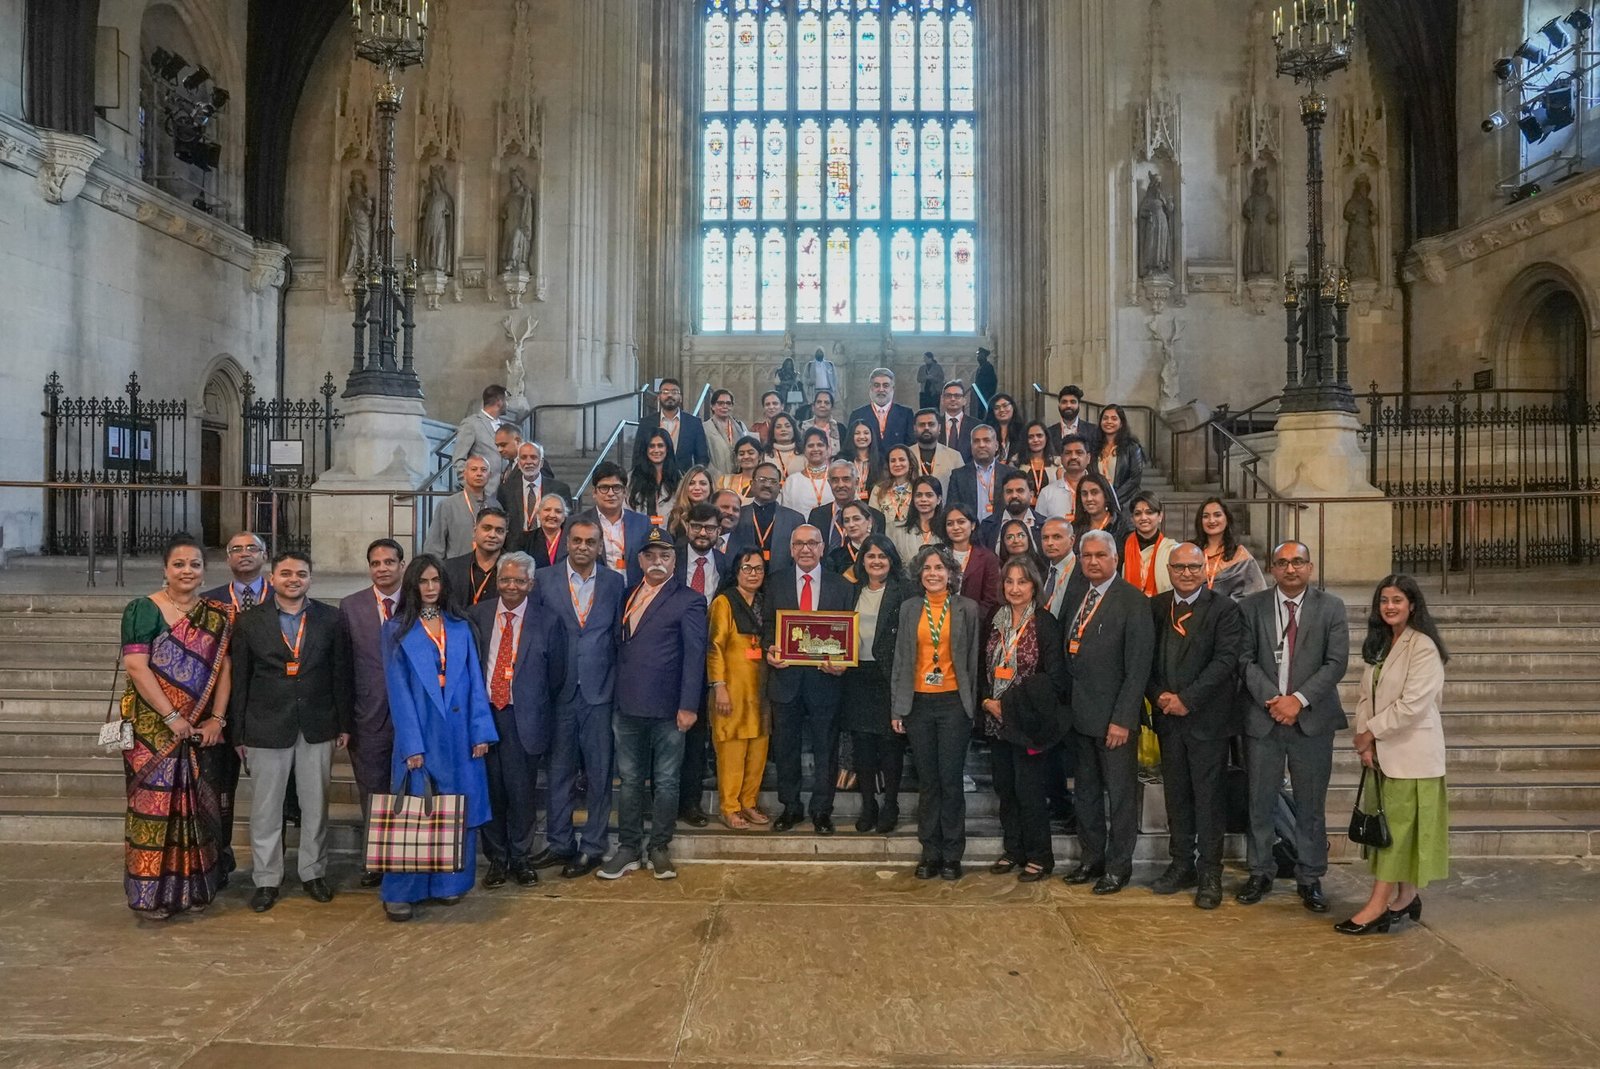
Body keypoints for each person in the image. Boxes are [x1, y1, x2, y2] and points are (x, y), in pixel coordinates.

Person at [228, 550, 353, 914]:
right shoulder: (249, 621)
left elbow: (341, 673)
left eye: (301, 573)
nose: (293, 579)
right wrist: (239, 733)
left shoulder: (331, 618)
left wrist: (344, 723)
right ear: (272, 579)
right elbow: (240, 679)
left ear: (310, 579)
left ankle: (313, 872)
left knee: (316, 805)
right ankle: (267, 879)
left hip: (318, 724)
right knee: (266, 809)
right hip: (265, 726)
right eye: (286, 573)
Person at [119, 534, 234, 919]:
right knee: (153, 809)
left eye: (195, 564)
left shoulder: (217, 615)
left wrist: (217, 718)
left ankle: (192, 890)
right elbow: (137, 667)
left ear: (204, 571)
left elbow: (224, 669)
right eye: (179, 564)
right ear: (165, 570)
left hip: (198, 730)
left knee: (195, 810)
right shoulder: (143, 610)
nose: (187, 571)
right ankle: (150, 895)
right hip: (152, 730)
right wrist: (171, 717)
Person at [380, 555, 498, 921]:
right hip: (422, 732)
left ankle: (450, 883)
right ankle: (403, 891)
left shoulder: (460, 627)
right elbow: (397, 690)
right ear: (413, 586)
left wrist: (481, 730)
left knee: (457, 810)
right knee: (415, 813)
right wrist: (411, 745)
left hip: (460, 734)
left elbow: (475, 681)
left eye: (436, 581)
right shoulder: (396, 629)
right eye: (424, 581)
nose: (431, 587)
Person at [1236, 541, 1349, 913]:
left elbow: (1336, 663)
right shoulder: (1251, 607)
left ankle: (1310, 876)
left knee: (1310, 804)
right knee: (1260, 801)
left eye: (1298, 562)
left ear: (1310, 567)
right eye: (1282, 562)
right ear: (1272, 568)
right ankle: (1260, 871)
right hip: (1263, 718)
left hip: (1311, 721)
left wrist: (1297, 701)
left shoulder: (1330, 607)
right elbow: (1244, 659)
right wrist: (1274, 699)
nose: (1290, 568)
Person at [1340, 574, 1451, 935]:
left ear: (1412, 605)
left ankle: (1376, 907)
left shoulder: (1423, 647)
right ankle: (1407, 897)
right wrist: (1366, 740)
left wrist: (1370, 733)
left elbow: (1412, 705)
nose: (1389, 607)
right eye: (1384, 600)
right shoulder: (1382, 644)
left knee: (1397, 835)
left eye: (1397, 600)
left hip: (1411, 755)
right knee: (1388, 829)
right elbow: (1365, 696)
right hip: (1381, 752)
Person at [600, 527, 708, 880]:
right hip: (627, 705)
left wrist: (689, 705)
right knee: (630, 780)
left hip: (668, 708)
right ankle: (628, 848)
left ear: (675, 561)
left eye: (664, 555)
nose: (657, 561)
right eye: (650, 555)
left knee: (666, 781)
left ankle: (659, 846)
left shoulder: (689, 599)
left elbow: (695, 656)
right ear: (640, 560)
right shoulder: (629, 594)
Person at [1145, 542, 1245, 909]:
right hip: (1168, 720)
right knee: (1177, 797)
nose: (1186, 573)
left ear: (1205, 569)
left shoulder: (1224, 609)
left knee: (1209, 800)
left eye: (1193, 567)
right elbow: (1144, 659)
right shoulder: (1156, 607)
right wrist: (1159, 695)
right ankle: (1181, 864)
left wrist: (1187, 699)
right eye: (1179, 567)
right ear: (1168, 570)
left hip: (1207, 721)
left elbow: (1225, 661)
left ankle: (1210, 873)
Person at [1062, 530, 1154, 895]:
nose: (1093, 561)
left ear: (1115, 559)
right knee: (1085, 795)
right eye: (1087, 556)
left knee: (1120, 798)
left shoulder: (1133, 601)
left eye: (1100, 555)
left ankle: (1118, 867)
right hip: (1080, 716)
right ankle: (1091, 859)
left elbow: (1138, 668)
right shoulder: (1078, 595)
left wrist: (1123, 719)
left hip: (1114, 721)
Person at [534, 517, 626, 878]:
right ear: (566, 542)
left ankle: (592, 846)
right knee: (559, 771)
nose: (583, 547)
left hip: (600, 691)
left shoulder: (615, 582)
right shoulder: (544, 579)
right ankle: (559, 843)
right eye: (577, 540)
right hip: (559, 691)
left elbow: (618, 636)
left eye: (590, 541)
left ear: (600, 545)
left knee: (600, 774)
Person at [469, 552, 566, 889]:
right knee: (491, 791)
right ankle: (497, 859)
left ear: (531, 584)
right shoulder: (477, 616)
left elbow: (556, 676)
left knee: (522, 793)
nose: (511, 586)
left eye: (519, 581)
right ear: (497, 581)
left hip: (523, 718)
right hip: (484, 717)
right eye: (506, 579)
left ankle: (521, 857)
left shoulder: (548, 621)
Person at [891, 544, 983, 880]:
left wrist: (971, 706)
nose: (933, 573)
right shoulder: (909, 608)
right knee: (928, 781)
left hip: (954, 704)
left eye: (940, 568)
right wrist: (897, 707)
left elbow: (973, 661)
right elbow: (901, 659)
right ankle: (930, 851)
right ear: (920, 574)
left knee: (951, 779)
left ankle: (952, 854)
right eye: (928, 568)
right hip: (918, 703)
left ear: (951, 573)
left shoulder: (967, 608)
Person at [981, 556, 1070, 881]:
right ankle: (1014, 849)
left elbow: (1054, 679)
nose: (1015, 588)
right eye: (1009, 581)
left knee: (1029, 791)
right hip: (996, 721)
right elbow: (981, 665)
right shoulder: (994, 618)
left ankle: (1039, 856)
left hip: (1029, 723)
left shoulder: (1045, 623)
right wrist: (986, 701)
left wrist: (1009, 704)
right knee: (1005, 789)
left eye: (1022, 581)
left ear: (1034, 585)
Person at [763, 525, 854, 834]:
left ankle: (822, 810)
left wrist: (842, 663)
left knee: (825, 749)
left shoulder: (841, 586)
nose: (805, 549)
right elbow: (767, 626)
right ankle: (790, 807)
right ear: (791, 549)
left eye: (812, 543)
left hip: (825, 682)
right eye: (799, 543)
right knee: (785, 748)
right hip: (785, 680)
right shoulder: (775, 582)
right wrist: (769, 650)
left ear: (822, 548)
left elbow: (847, 633)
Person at [199, 530, 274, 877]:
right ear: (227, 558)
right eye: (236, 549)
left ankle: (273, 865)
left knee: (275, 794)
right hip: (222, 708)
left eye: (252, 548)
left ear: (264, 555)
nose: (245, 554)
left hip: (269, 709)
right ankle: (219, 857)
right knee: (219, 790)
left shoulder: (283, 595)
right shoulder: (209, 602)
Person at [338, 537, 404, 890]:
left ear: (401, 565)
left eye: (389, 562)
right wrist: (345, 720)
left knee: (409, 789)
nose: (382, 569)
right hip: (368, 715)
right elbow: (343, 665)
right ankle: (376, 860)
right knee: (373, 791)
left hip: (412, 715)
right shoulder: (351, 606)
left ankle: (408, 858)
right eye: (376, 563)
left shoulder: (417, 602)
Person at [839, 535, 911, 832]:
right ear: (862, 560)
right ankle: (868, 805)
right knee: (863, 747)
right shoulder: (850, 590)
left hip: (889, 677)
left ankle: (890, 805)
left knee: (890, 746)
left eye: (883, 556)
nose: (877, 561)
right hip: (856, 676)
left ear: (891, 560)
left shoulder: (904, 592)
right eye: (871, 556)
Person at [705, 548, 772, 830]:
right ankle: (729, 807)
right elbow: (714, 647)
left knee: (758, 749)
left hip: (761, 691)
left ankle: (749, 802)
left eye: (759, 569)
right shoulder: (724, 602)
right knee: (732, 751)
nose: (753, 574)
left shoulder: (765, 603)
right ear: (736, 572)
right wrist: (718, 686)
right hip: (731, 690)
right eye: (747, 568)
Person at [676, 503, 728, 827]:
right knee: (672, 735)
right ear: (687, 526)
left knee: (697, 738)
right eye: (697, 526)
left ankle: (691, 803)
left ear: (719, 531)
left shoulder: (725, 563)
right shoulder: (671, 558)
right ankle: (665, 801)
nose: (702, 533)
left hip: (713, 656)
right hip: (674, 657)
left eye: (709, 527)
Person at [581, 461, 653, 587]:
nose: (611, 493)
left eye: (616, 488)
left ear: (624, 492)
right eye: (604, 488)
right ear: (594, 493)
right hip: (593, 592)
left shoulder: (642, 523)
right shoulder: (578, 523)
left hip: (634, 592)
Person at [726, 461, 806, 573]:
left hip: (781, 579)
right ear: (752, 484)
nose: (767, 485)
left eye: (773, 481)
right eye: (762, 480)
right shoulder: (738, 515)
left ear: (779, 487)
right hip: (745, 577)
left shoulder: (795, 519)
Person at [499, 441, 574, 544]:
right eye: (524, 457)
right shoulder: (506, 490)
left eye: (533, 457)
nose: (528, 462)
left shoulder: (559, 489)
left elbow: (567, 522)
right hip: (515, 546)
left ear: (541, 463)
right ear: (518, 463)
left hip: (549, 544)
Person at [1195, 497, 1266, 601]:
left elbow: (1256, 591)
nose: (1211, 520)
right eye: (1206, 516)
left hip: (1231, 609)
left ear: (1227, 519)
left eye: (1217, 515)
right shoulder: (1192, 551)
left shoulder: (1240, 555)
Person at [633, 377, 710, 470]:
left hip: (683, 476)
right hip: (652, 476)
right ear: (659, 397)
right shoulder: (646, 423)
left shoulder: (693, 423)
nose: (670, 395)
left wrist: (696, 475)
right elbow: (638, 455)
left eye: (674, 392)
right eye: (665, 392)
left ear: (680, 398)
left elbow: (702, 457)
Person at [425, 454, 491, 559]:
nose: (479, 474)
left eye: (484, 470)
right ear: (465, 474)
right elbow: (434, 545)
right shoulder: (448, 505)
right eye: (474, 469)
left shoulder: (495, 505)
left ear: (489, 475)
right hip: (455, 565)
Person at [810, 459, 884, 552]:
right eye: (835, 480)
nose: (840, 485)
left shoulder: (875, 516)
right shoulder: (817, 515)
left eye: (846, 479)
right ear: (829, 483)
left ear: (856, 482)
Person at [442, 507, 508, 612]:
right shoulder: (450, 568)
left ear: (505, 535)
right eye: (487, 528)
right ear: (474, 531)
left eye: (499, 531)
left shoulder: (516, 570)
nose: (492, 535)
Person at [942, 503, 1000, 622]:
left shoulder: (988, 558)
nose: (955, 527)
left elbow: (991, 599)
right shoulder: (939, 555)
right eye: (950, 524)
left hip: (974, 622)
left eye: (961, 522)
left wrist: (971, 620)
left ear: (973, 525)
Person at [946, 424, 1012, 526]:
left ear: (996, 446)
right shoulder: (958, 476)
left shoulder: (1009, 474)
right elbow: (952, 509)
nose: (981, 445)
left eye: (986, 440)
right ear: (971, 446)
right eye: (976, 441)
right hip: (970, 532)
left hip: (1001, 531)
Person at [450, 385, 508, 497]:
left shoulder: (505, 427)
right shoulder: (471, 424)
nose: (507, 405)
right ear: (499, 401)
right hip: (481, 493)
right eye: (506, 400)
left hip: (504, 494)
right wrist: (471, 486)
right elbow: (458, 459)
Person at [848, 367, 915, 457]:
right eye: (876, 385)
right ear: (870, 388)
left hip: (896, 463)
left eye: (885, 385)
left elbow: (911, 446)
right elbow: (850, 446)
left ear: (892, 388)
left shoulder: (906, 414)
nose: (881, 389)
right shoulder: (857, 415)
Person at [1122, 492, 1175, 596]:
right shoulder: (1122, 548)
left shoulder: (1171, 550)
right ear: (1132, 519)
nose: (1143, 518)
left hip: (1162, 603)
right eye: (1138, 513)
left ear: (1160, 516)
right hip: (1130, 604)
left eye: (1149, 512)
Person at [979, 472, 1045, 553]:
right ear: (1003, 495)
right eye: (1009, 491)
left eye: (1020, 490)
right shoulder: (988, 526)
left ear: (1031, 495)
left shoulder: (1044, 525)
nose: (1014, 495)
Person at [1096, 403, 1146, 507]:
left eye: (1114, 418)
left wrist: (1112, 499)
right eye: (1105, 418)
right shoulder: (1094, 447)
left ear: (1121, 423)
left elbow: (1134, 479)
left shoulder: (1132, 447)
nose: (1109, 421)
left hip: (1125, 504)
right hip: (1099, 503)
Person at [891, 474, 945, 566]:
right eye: (919, 495)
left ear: (939, 499)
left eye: (929, 495)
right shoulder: (898, 532)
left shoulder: (946, 530)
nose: (923, 499)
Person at [1036, 435, 1092, 521]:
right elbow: (1039, 526)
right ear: (1061, 458)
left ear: (1088, 458)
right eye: (1068, 453)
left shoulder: (1101, 488)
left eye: (1079, 452)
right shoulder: (1047, 493)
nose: (1073, 457)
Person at [782, 428, 836, 515]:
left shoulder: (837, 480)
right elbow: (786, 514)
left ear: (828, 449)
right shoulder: (792, 481)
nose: (815, 449)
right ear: (804, 450)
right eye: (810, 446)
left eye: (820, 445)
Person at [629, 428, 681, 517]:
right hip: (640, 524)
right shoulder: (632, 478)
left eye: (660, 446)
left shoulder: (678, 478)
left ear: (667, 449)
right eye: (651, 446)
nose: (656, 450)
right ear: (645, 449)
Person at [825, 500, 878, 581]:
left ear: (869, 521)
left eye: (856, 519)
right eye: (846, 521)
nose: (851, 524)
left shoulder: (883, 550)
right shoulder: (835, 556)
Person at [1071, 472, 1128, 544]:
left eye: (1094, 493)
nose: (1089, 498)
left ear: (1106, 495)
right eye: (1084, 494)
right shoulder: (1074, 528)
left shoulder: (1122, 526)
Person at [1046, 384, 1102, 458]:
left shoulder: (1093, 431)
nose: (1068, 405)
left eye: (1073, 402)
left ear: (1079, 405)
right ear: (1059, 405)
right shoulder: (1048, 433)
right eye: (1064, 402)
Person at [910, 408, 965, 481]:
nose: (926, 428)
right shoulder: (906, 455)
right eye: (922, 425)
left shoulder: (955, 457)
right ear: (914, 428)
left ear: (939, 428)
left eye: (931, 424)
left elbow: (963, 484)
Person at [1038, 518, 1078, 619]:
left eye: (1057, 537)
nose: (1049, 543)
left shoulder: (1084, 573)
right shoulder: (1039, 574)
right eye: (1045, 538)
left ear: (1072, 540)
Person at [704, 388, 749, 476]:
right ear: (712, 406)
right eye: (720, 403)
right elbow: (704, 458)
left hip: (740, 476)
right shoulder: (705, 428)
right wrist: (718, 477)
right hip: (716, 477)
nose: (725, 406)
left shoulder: (740, 426)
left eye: (728, 403)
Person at [869, 443, 916, 527]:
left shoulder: (918, 488)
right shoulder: (878, 490)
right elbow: (873, 519)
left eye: (902, 460)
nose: (897, 464)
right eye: (893, 461)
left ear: (910, 463)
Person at [667, 464, 716, 540]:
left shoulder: (718, 514)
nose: (697, 488)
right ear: (685, 487)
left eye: (703, 483)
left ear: (710, 487)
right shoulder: (676, 516)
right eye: (691, 483)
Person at [1017, 421, 1060, 506]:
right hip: (1025, 508)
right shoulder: (1016, 461)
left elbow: (1061, 490)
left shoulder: (1058, 462)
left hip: (1051, 507)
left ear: (1046, 438)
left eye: (1039, 436)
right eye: (1031, 437)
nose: (1035, 440)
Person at [524, 494, 570, 570]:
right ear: (538, 514)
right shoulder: (525, 540)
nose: (552, 515)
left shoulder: (571, 540)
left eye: (558, 511)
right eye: (547, 510)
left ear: (564, 517)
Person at [718, 435, 765, 503]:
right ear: (736, 457)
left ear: (760, 456)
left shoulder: (765, 482)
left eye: (751, 453)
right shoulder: (725, 480)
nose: (746, 456)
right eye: (741, 454)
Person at [841, 419, 880, 499]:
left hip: (873, 503)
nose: (862, 437)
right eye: (857, 433)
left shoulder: (881, 461)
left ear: (872, 436)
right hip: (847, 502)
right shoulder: (842, 460)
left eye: (866, 433)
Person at [937, 379, 975, 461]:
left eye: (957, 396)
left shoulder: (975, 425)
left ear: (964, 400)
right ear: (942, 400)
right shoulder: (935, 424)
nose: (953, 399)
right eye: (948, 396)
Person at [802, 387, 845, 453]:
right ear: (813, 407)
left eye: (826, 403)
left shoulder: (840, 428)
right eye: (819, 402)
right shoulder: (803, 427)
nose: (822, 405)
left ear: (832, 408)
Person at [987, 393, 1025, 466]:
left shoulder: (1023, 431)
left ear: (1013, 407)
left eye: (1005, 406)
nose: (1001, 410)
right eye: (996, 408)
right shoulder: (986, 432)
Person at [764, 411, 806, 477]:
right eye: (778, 427)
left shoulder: (804, 452)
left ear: (794, 430)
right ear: (772, 432)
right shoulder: (765, 454)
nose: (783, 429)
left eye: (787, 426)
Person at [972, 347, 998, 417]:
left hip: (986, 396)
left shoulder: (988, 367)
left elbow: (993, 382)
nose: (978, 357)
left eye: (979, 355)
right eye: (977, 355)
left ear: (984, 356)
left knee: (985, 413)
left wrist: (987, 394)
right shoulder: (979, 368)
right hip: (979, 395)